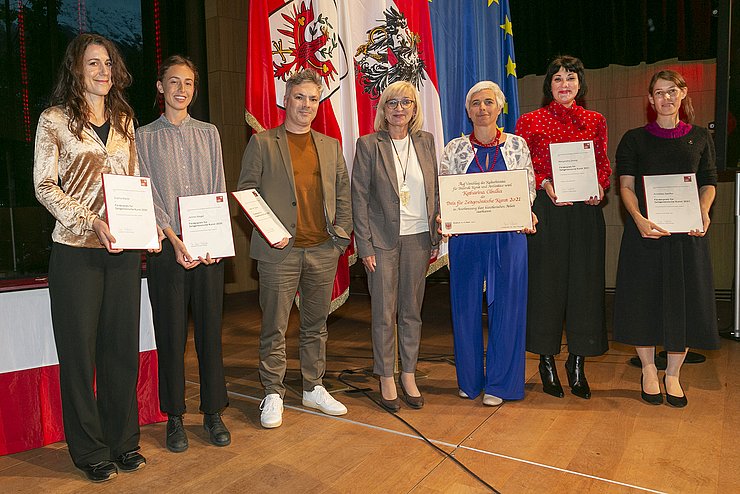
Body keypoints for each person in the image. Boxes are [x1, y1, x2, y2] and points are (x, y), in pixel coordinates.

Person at [33, 33, 159, 482]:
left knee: (120, 351)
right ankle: (89, 449)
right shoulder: (54, 121)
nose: (103, 70)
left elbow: (136, 180)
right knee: (80, 356)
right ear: (77, 70)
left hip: (123, 253)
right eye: (93, 63)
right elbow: (44, 186)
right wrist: (92, 222)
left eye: (108, 63)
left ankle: (124, 441)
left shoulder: (125, 119)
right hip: (76, 253)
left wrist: (148, 227)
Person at [237, 69, 352, 428]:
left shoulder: (330, 146)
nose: (306, 105)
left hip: (322, 250)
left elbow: (344, 196)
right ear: (286, 100)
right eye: (299, 97)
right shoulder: (263, 142)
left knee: (316, 326)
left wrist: (342, 237)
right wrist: (271, 232)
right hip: (278, 254)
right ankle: (273, 391)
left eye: (313, 99)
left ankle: (313, 387)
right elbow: (246, 193)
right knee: (274, 325)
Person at [137, 55, 230, 452]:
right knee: (171, 336)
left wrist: (210, 242)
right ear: (160, 87)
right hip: (165, 250)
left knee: (211, 335)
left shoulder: (209, 133)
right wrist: (174, 240)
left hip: (207, 252)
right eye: (173, 82)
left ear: (195, 88)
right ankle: (174, 416)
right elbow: (148, 194)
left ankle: (213, 413)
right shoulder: (142, 137)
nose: (181, 89)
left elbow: (217, 187)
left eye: (189, 82)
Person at [614, 70, 719, 407]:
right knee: (642, 300)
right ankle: (647, 368)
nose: (666, 98)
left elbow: (709, 182)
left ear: (683, 94)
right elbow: (626, 186)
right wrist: (638, 219)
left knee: (683, 302)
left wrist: (703, 211)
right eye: (658, 93)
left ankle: (673, 374)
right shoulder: (633, 139)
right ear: (650, 99)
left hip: (686, 235)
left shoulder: (701, 136)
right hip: (646, 234)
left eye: (672, 91)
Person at [515, 55, 611, 400]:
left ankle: (577, 362)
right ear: (549, 85)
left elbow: (602, 163)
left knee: (585, 286)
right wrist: (544, 183)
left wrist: (600, 187)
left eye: (570, 78)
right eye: (557, 79)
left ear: (580, 84)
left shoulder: (595, 120)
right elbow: (522, 167)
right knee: (546, 285)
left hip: (585, 213)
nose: (565, 84)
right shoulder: (530, 121)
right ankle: (545, 361)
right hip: (548, 211)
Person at [440, 81, 537, 406]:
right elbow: (445, 192)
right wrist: (444, 215)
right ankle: (469, 380)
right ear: (468, 111)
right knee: (464, 308)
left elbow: (529, 187)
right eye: (476, 103)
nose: (482, 108)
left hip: (509, 237)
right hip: (466, 238)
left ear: (499, 108)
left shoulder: (517, 145)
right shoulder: (454, 149)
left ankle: (501, 384)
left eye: (488, 102)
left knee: (508, 308)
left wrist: (527, 211)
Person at [352, 81, 440, 412]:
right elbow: (358, 197)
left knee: (412, 311)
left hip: (419, 238)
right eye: (392, 103)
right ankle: (386, 375)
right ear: (383, 109)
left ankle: (409, 374)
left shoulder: (426, 142)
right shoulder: (369, 144)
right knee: (384, 312)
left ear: (415, 109)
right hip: (382, 242)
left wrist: (438, 224)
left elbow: (435, 186)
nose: (399, 108)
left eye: (406, 102)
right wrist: (365, 246)